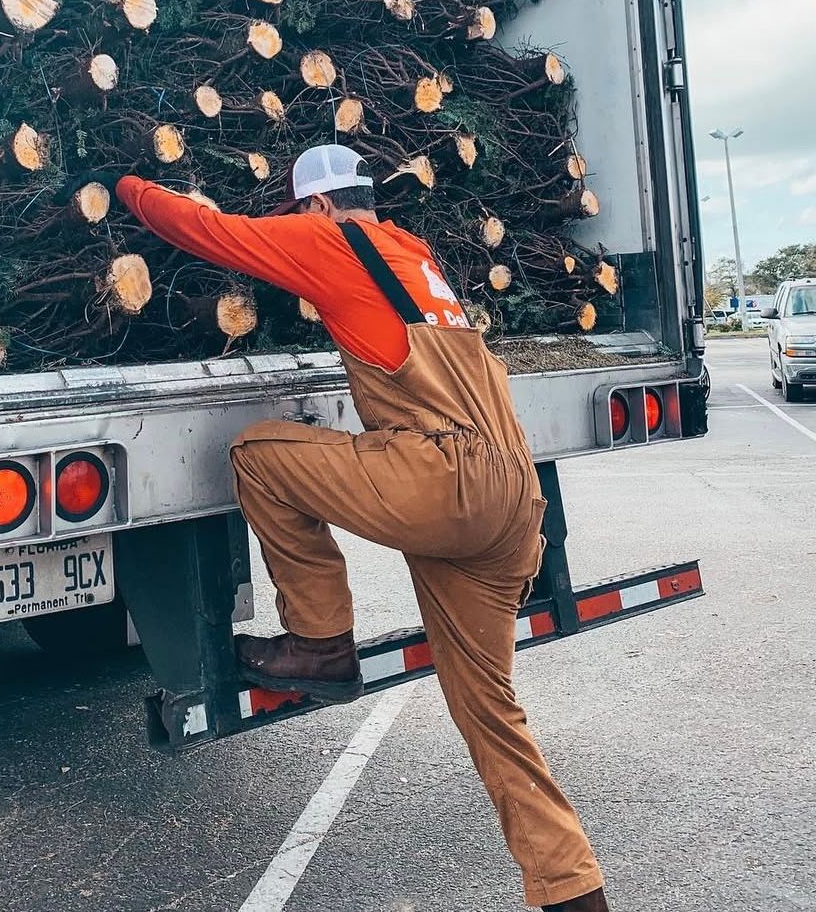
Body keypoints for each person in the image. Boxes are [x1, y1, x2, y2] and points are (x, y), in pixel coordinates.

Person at [91, 142, 608, 912]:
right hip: (511, 497)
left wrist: (122, 181)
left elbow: (211, 232)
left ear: (319, 208)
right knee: (489, 710)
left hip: (445, 481)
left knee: (258, 455)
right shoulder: (416, 257)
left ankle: (321, 642)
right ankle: (573, 891)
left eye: (302, 213)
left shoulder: (330, 240)